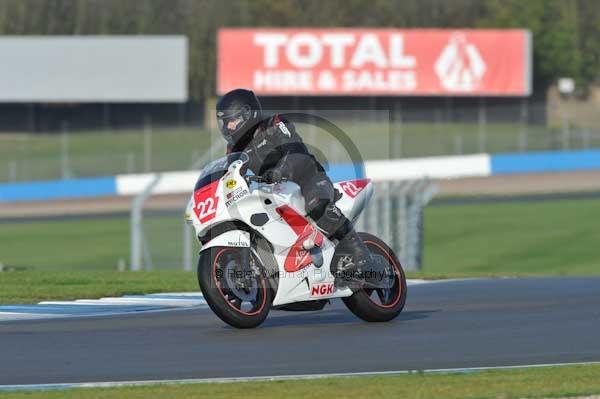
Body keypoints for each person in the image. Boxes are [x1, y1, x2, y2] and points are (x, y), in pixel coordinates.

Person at [216, 88, 371, 278]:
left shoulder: (275, 125)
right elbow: (230, 175)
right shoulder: (234, 148)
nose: (228, 127)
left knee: (317, 205)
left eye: (232, 120)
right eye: (224, 122)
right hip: (272, 192)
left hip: (307, 177)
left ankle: (358, 252)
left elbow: (294, 148)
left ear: (249, 114)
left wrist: (281, 170)